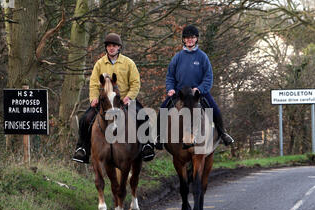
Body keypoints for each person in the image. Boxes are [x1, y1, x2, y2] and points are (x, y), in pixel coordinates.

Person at [73, 33, 155, 163]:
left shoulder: (128, 63)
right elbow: (94, 83)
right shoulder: (99, 64)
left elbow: (135, 83)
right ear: (106, 48)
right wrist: (93, 98)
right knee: (85, 119)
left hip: (124, 100)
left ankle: (147, 145)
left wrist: (129, 97)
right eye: (109, 46)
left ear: (119, 47)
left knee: (143, 116)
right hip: (105, 102)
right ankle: (82, 149)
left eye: (114, 46)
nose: (112, 48)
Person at [155, 25, 234, 149]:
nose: (190, 40)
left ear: (196, 39)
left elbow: (208, 78)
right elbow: (170, 76)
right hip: (180, 93)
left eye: (192, 37)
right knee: (163, 109)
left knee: (215, 109)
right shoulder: (177, 57)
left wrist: (200, 89)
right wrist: (170, 88)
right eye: (187, 38)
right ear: (184, 40)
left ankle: (223, 133)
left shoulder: (203, 57)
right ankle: (160, 137)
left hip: (198, 93)